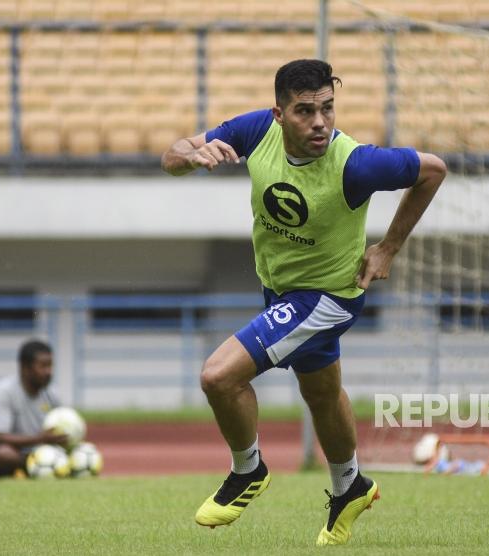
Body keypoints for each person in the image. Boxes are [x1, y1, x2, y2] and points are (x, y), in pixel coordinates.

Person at [162, 59, 445, 546]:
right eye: (305, 111)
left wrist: (388, 247)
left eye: (327, 109)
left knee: (218, 376)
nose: (319, 122)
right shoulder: (255, 129)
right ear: (278, 115)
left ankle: (247, 471)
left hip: (326, 297)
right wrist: (191, 154)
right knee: (320, 394)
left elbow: (433, 170)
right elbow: (171, 156)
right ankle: (350, 485)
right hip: (279, 288)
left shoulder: (358, 164)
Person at [0, 339, 67, 478]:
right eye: (43, 366)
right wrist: (40, 439)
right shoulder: (3, 392)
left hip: (34, 451)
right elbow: (0, 438)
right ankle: (35, 469)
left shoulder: (52, 393)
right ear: (25, 368)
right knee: (5, 453)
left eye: (50, 366)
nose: (48, 372)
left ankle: (40, 468)